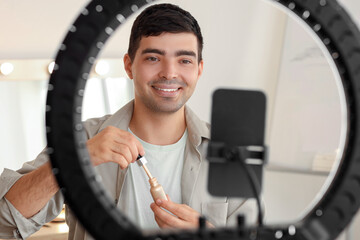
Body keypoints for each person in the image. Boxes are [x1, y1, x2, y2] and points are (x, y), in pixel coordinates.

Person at [0, 3, 256, 240]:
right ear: (129, 65)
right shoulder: (84, 140)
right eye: (153, 58)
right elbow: (5, 222)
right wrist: (74, 159)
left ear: (199, 69)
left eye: (185, 60)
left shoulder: (231, 154)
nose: (169, 72)